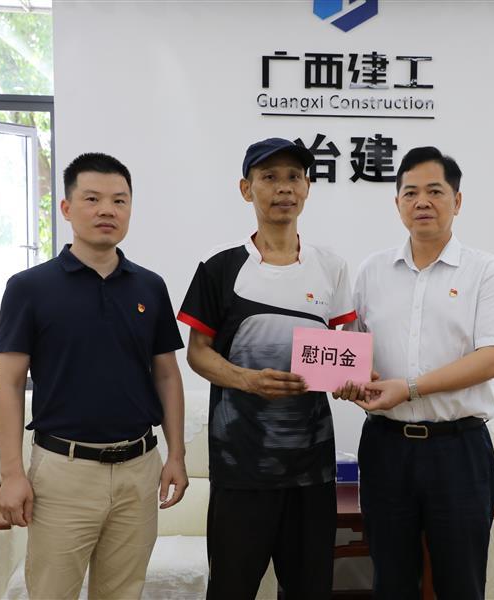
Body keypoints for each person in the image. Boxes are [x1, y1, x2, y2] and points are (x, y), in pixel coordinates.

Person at [0, 152, 188, 599]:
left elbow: (167, 375)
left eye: (119, 201)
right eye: (92, 199)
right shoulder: (29, 288)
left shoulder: (150, 286)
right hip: (64, 471)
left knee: (123, 592)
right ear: (66, 208)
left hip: (139, 468)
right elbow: (9, 384)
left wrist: (176, 454)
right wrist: (12, 473)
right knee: (51, 592)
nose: (107, 210)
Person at [335, 146, 494, 600]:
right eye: (411, 192)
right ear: (397, 203)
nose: (422, 202)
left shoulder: (484, 270)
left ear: (457, 201)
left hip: (458, 450)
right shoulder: (372, 270)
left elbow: (493, 358)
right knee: (391, 580)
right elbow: (355, 352)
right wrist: (352, 381)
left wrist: (409, 388)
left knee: (461, 582)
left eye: (435, 191)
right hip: (385, 449)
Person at [179, 138, 356, 600]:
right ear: (246, 189)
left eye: (294, 177)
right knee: (231, 589)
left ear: (307, 188)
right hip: (241, 468)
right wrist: (247, 379)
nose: (284, 188)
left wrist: (353, 380)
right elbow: (197, 352)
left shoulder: (331, 267)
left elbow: (347, 350)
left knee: (309, 590)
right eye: (269, 177)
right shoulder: (220, 267)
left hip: (312, 471)